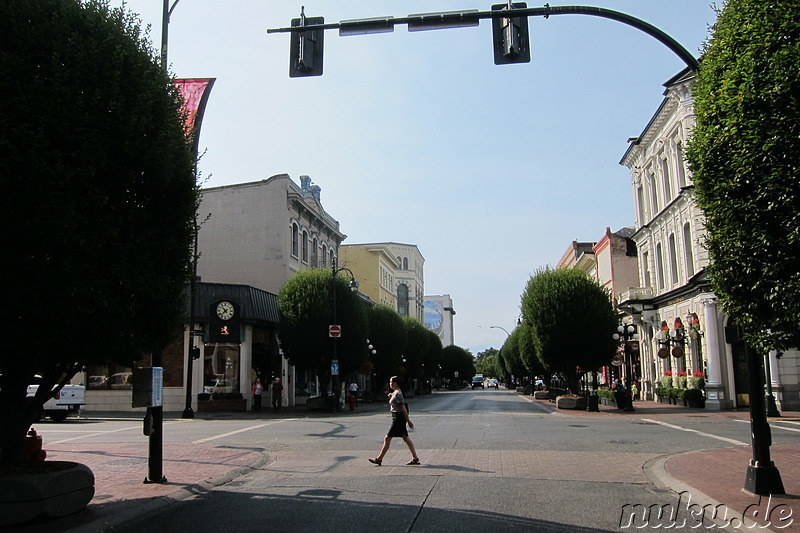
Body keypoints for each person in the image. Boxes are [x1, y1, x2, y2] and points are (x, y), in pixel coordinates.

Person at [368, 376, 420, 466]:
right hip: (396, 417)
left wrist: (408, 421)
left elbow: (403, 408)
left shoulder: (398, 394)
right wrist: (391, 397)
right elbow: (395, 404)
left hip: (398, 419)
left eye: (391, 382)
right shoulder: (395, 393)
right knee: (406, 438)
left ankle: (379, 459)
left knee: (387, 438)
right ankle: (415, 458)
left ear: (396, 383)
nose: (390, 384)